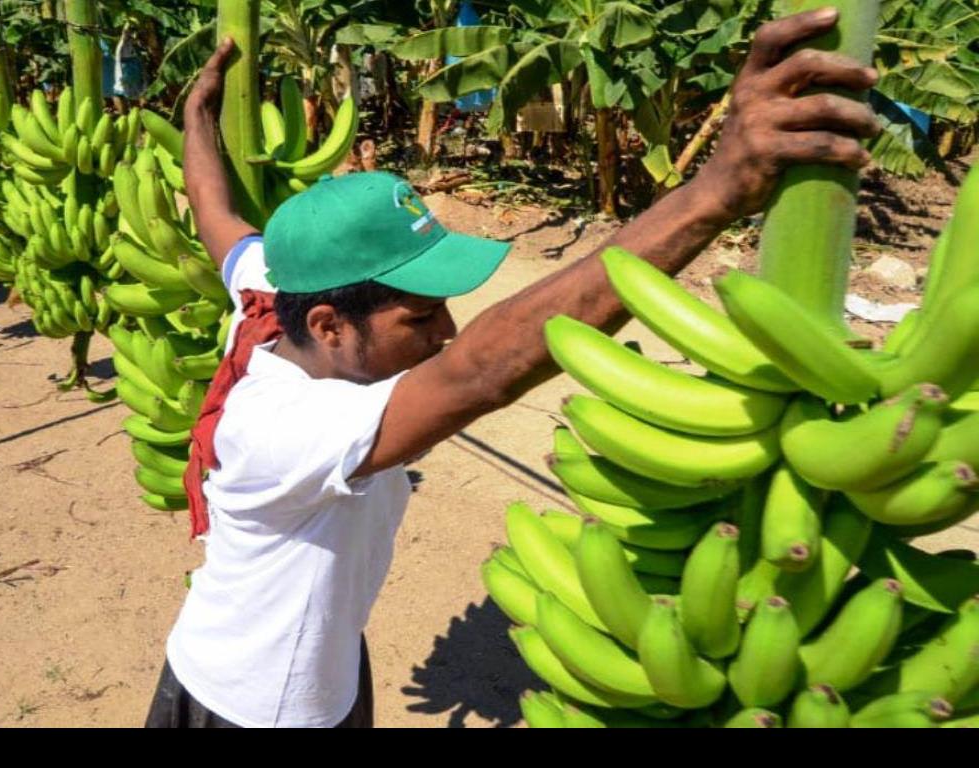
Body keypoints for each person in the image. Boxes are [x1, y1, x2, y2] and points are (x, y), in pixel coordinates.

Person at [145, 7, 881, 728]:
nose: (446, 331)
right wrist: (715, 192)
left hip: (315, 663)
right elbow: (482, 372)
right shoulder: (288, 428)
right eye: (420, 316)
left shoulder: (273, 295)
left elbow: (216, 213)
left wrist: (199, 118)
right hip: (258, 705)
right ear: (330, 325)